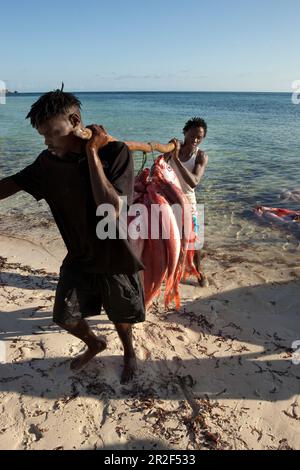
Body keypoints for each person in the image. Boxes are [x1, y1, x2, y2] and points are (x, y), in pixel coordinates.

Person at [0, 88, 145, 383]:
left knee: (121, 316)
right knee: (64, 316)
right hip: (79, 256)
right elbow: (9, 185)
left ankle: (128, 352)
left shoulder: (115, 153)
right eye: (42, 135)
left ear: (75, 120)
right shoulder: (47, 163)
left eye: (52, 133)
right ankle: (95, 343)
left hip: (114, 254)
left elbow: (111, 208)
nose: (47, 142)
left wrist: (92, 152)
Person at [166, 117, 209, 286]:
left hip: (188, 202)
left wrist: (176, 159)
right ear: (185, 133)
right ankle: (170, 270)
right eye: (193, 135)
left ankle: (199, 271)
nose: (196, 140)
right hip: (169, 200)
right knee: (169, 237)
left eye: (199, 137)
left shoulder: (201, 156)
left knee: (194, 239)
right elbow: (159, 167)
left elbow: (194, 181)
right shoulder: (172, 149)